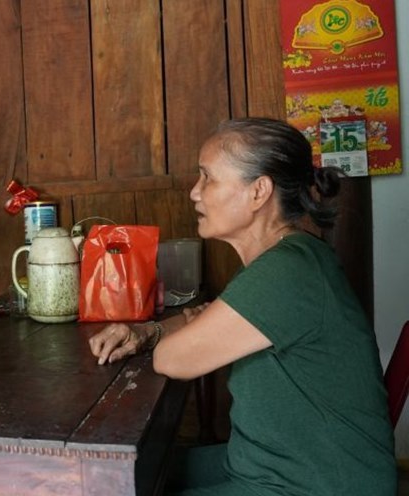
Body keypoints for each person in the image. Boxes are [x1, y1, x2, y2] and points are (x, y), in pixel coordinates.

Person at [89, 118, 396, 495]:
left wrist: (172, 334)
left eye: (208, 178)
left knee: (115, 483)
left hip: (317, 483)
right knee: (130, 471)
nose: (194, 193)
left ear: (258, 192)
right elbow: (205, 318)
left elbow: (173, 359)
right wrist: (144, 332)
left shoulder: (287, 272)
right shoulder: (287, 257)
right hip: (273, 461)